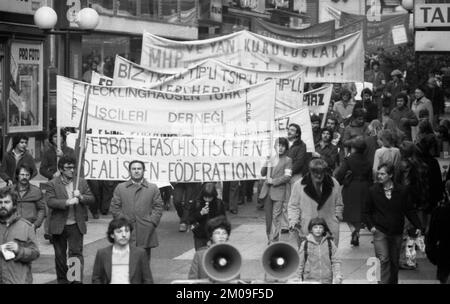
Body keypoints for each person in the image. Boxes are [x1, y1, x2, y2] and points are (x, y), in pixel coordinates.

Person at [363, 163, 423, 284]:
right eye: (378, 173)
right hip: (380, 230)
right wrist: (372, 227)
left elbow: (409, 209)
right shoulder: (373, 190)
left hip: (396, 230)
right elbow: (366, 211)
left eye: (382, 174)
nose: (379, 176)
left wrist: (418, 225)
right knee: (383, 259)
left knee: (394, 261)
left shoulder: (402, 190)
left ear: (390, 175)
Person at [46, 155, 94, 284]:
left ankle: (75, 281)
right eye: (68, 168)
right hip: (59, 225)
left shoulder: (81, 182)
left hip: (75, 225)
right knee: (60, 257)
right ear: (61, 169)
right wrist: (67, 202)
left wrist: (81, 197)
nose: (72, 170)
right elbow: (50, 201)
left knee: (75, 255)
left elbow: (91, 199)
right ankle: (62, 281)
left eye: (73, 168)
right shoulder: (52, 183)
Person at [110, 160, 163, 261]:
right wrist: (123, 222)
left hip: (145, 230)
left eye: (139, 168)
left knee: (144, 262)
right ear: (129, 171)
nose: (136, 171)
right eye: (133, 169)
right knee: (126, 262)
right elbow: (115, 207)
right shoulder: (120, 188)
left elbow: (158, 207)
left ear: (144, 171)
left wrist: (152, 222)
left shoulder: (153, 188)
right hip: (125, 231)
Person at [288, 158, 343, 247]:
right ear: (310, 172)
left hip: (329, 228)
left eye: (321, 173)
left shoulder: (334, 183)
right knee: (307, 256)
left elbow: (339, 203)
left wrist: (337, 217)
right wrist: (294, 221)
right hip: (306, 228)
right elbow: (293, 206)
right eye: (315, 173)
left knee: (329, 256)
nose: (319, 176)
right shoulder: (299, 185)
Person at [92, 217, 153, 284]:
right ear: (112, 235)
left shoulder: (140, 253)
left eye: (127, 231)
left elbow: (148, 280)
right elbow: (96, 278)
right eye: (119, 231)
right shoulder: (102, 253)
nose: (124, 235)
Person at [39, 128, 76, 241]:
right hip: (53, 183)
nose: (57, 139)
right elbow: (42, 169)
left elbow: (74, 163)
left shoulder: (69, 150)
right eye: (55, 136)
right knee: (51, 207)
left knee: (64, 206)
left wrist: (63, 155)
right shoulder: (48, 152)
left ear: (63, 138)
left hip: (67, 183)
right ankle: (49, 231)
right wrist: (51, 174)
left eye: (59, 136)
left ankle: (64, 230)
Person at [335, 136, 372, 246]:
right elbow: (370, 176)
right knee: (360, 213)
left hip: (351, 187)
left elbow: (340, 173)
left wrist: (340, 182)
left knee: (348, 213)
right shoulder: (367, 161)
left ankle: (353, 231)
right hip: (364, 187)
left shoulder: (348, 159)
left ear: (353, 148)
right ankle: (357, 230)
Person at [0, 186, 40, 284]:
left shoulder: (26, 226)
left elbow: (35, 253)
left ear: (14, 205)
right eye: (0, 202)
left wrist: (19, 250)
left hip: (18, 280)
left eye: (6, 202)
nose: (2, 205)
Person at [260, 138, 292, 244]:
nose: (281, 148)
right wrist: (266, 162)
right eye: (278, 145)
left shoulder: (288, 160)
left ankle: (275, 239)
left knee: (276, 216)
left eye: (283, 146)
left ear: (286, 148)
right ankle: (269, 237)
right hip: (267, 192)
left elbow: (287, 177)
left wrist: (273, 181)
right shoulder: (271, 159)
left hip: (279, 192)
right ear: (275, 146)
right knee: (268, 217)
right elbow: (262, 173)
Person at [296, 217, 343, 284]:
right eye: (315, 227)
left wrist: (338, 275)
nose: (318, 230)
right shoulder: (305, 244)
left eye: (320, 227)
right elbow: (300, 263)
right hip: (309, 280)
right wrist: (297, 278)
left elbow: (336, 261)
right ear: (311, 229)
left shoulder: (330, 243)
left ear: (324, 229)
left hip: (326, 280)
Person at [188, 215, 232, 280]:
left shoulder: (233, 254)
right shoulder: (200, 255)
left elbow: (235, 279)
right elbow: (192, 279)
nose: (221, 236)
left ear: (227, 236)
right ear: (211, 236)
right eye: (217, 233)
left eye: (224, 233)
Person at [188, 182, 226, 250]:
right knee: (200, 256)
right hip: (199, 236)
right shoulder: (197, 203)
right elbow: (190, 219)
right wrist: (200, 213)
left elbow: (223, 220)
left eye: (210, 197)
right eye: (205, 197)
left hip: (214, 235)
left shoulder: (219, 204)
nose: (207, 199)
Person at [426, 180, 450, 284]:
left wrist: (434, 256)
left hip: (445, 255)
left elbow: (431, 238)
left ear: (447, 191)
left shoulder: (440, 212)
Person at [13, 164, 46, 230]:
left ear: (30, 176)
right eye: (22, 175)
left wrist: (36, 224)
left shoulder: (36, 191)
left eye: (27, 175)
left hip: (30, 227)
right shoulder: (10, 191)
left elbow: (41, 209)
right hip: (12, 227)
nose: (24, 177)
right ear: (17, 175)